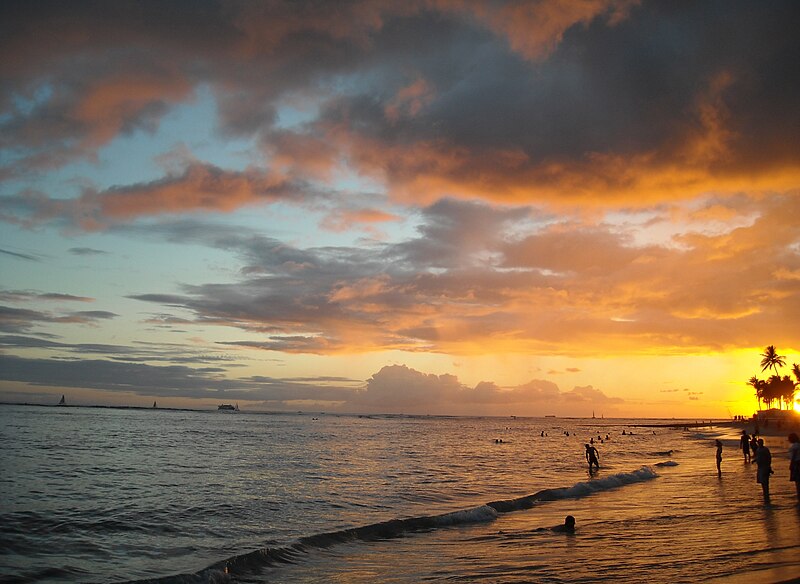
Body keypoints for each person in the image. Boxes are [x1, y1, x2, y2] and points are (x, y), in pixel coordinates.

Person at [755, 438, 773, 504]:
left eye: (760, 442)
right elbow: (758, 457)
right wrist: (755, 460)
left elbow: (769, 458)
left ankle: (766, 495)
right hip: (760, 468)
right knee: (762, 482)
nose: (759, 444)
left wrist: (769, 467)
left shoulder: (765, 449)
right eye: (758, 442)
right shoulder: (758, 449)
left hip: (765, 467)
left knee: (765, 482)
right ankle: (765, 495)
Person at [788, 432, 800, 503]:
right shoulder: (798, 445)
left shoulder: (795, 446)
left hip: (796, 463)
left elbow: (794, 456)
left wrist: (791, 465)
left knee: (797, 481)